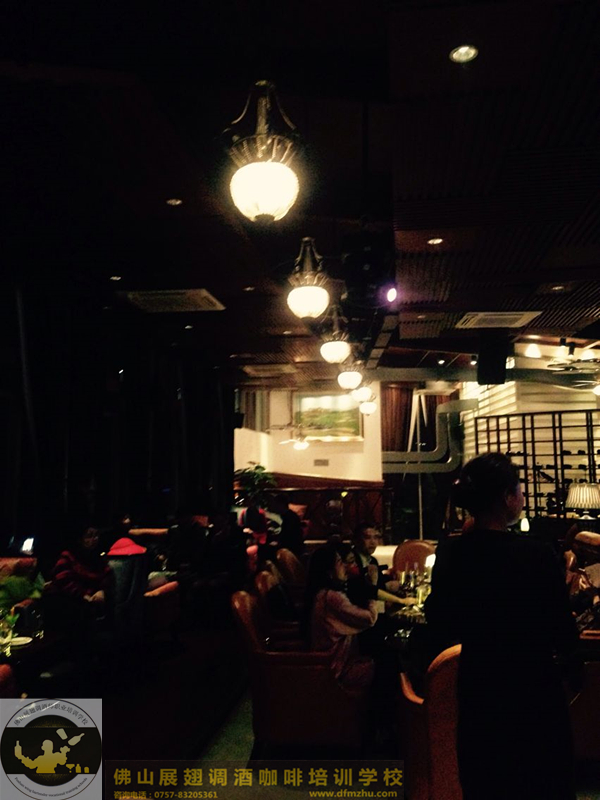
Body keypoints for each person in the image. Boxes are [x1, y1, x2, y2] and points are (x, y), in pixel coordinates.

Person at [425, 453, 580, 800]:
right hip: (534, 685)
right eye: (519, 489)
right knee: (541, 781)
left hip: (480, 684)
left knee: (488, 781)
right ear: (508, 497)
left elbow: (439, 619)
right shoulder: (537, 554)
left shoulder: (452, 554)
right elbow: (560, 625)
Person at [304, 543, 377, 690]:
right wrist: (372, 586)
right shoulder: (332, 598)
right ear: (329, 572)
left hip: (333, 663)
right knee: (388, 665)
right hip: (337, 670)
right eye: (340, 562)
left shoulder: (322, 593)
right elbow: (369, 618)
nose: (345, 566)